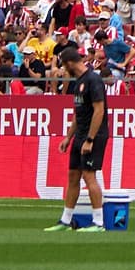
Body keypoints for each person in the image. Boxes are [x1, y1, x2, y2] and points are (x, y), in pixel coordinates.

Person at [54, 53, 115, 231]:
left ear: (71, 63)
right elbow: (78, 114)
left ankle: (98, 223)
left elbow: (99, 111)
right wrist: (68, 137)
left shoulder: (93, 80)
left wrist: (90, 139)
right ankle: (65, 221)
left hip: (93, 136)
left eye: (65, 66)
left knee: (89, 176)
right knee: (73, 176)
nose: (65, 70)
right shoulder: (79, 82)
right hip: (80, 135)